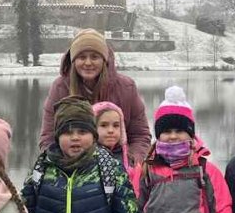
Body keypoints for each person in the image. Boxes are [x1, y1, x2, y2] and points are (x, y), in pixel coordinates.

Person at [39, 28, 151, 166]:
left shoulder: (126, 87)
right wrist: (62, 165)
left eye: (94, 57)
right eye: (82, 57)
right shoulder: (60, 87)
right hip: (73, 166)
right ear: (73, 60)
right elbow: (48, 138)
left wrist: (130, 163)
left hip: (118, 164)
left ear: (104, 60)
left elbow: (140, 135)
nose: (88, 63)